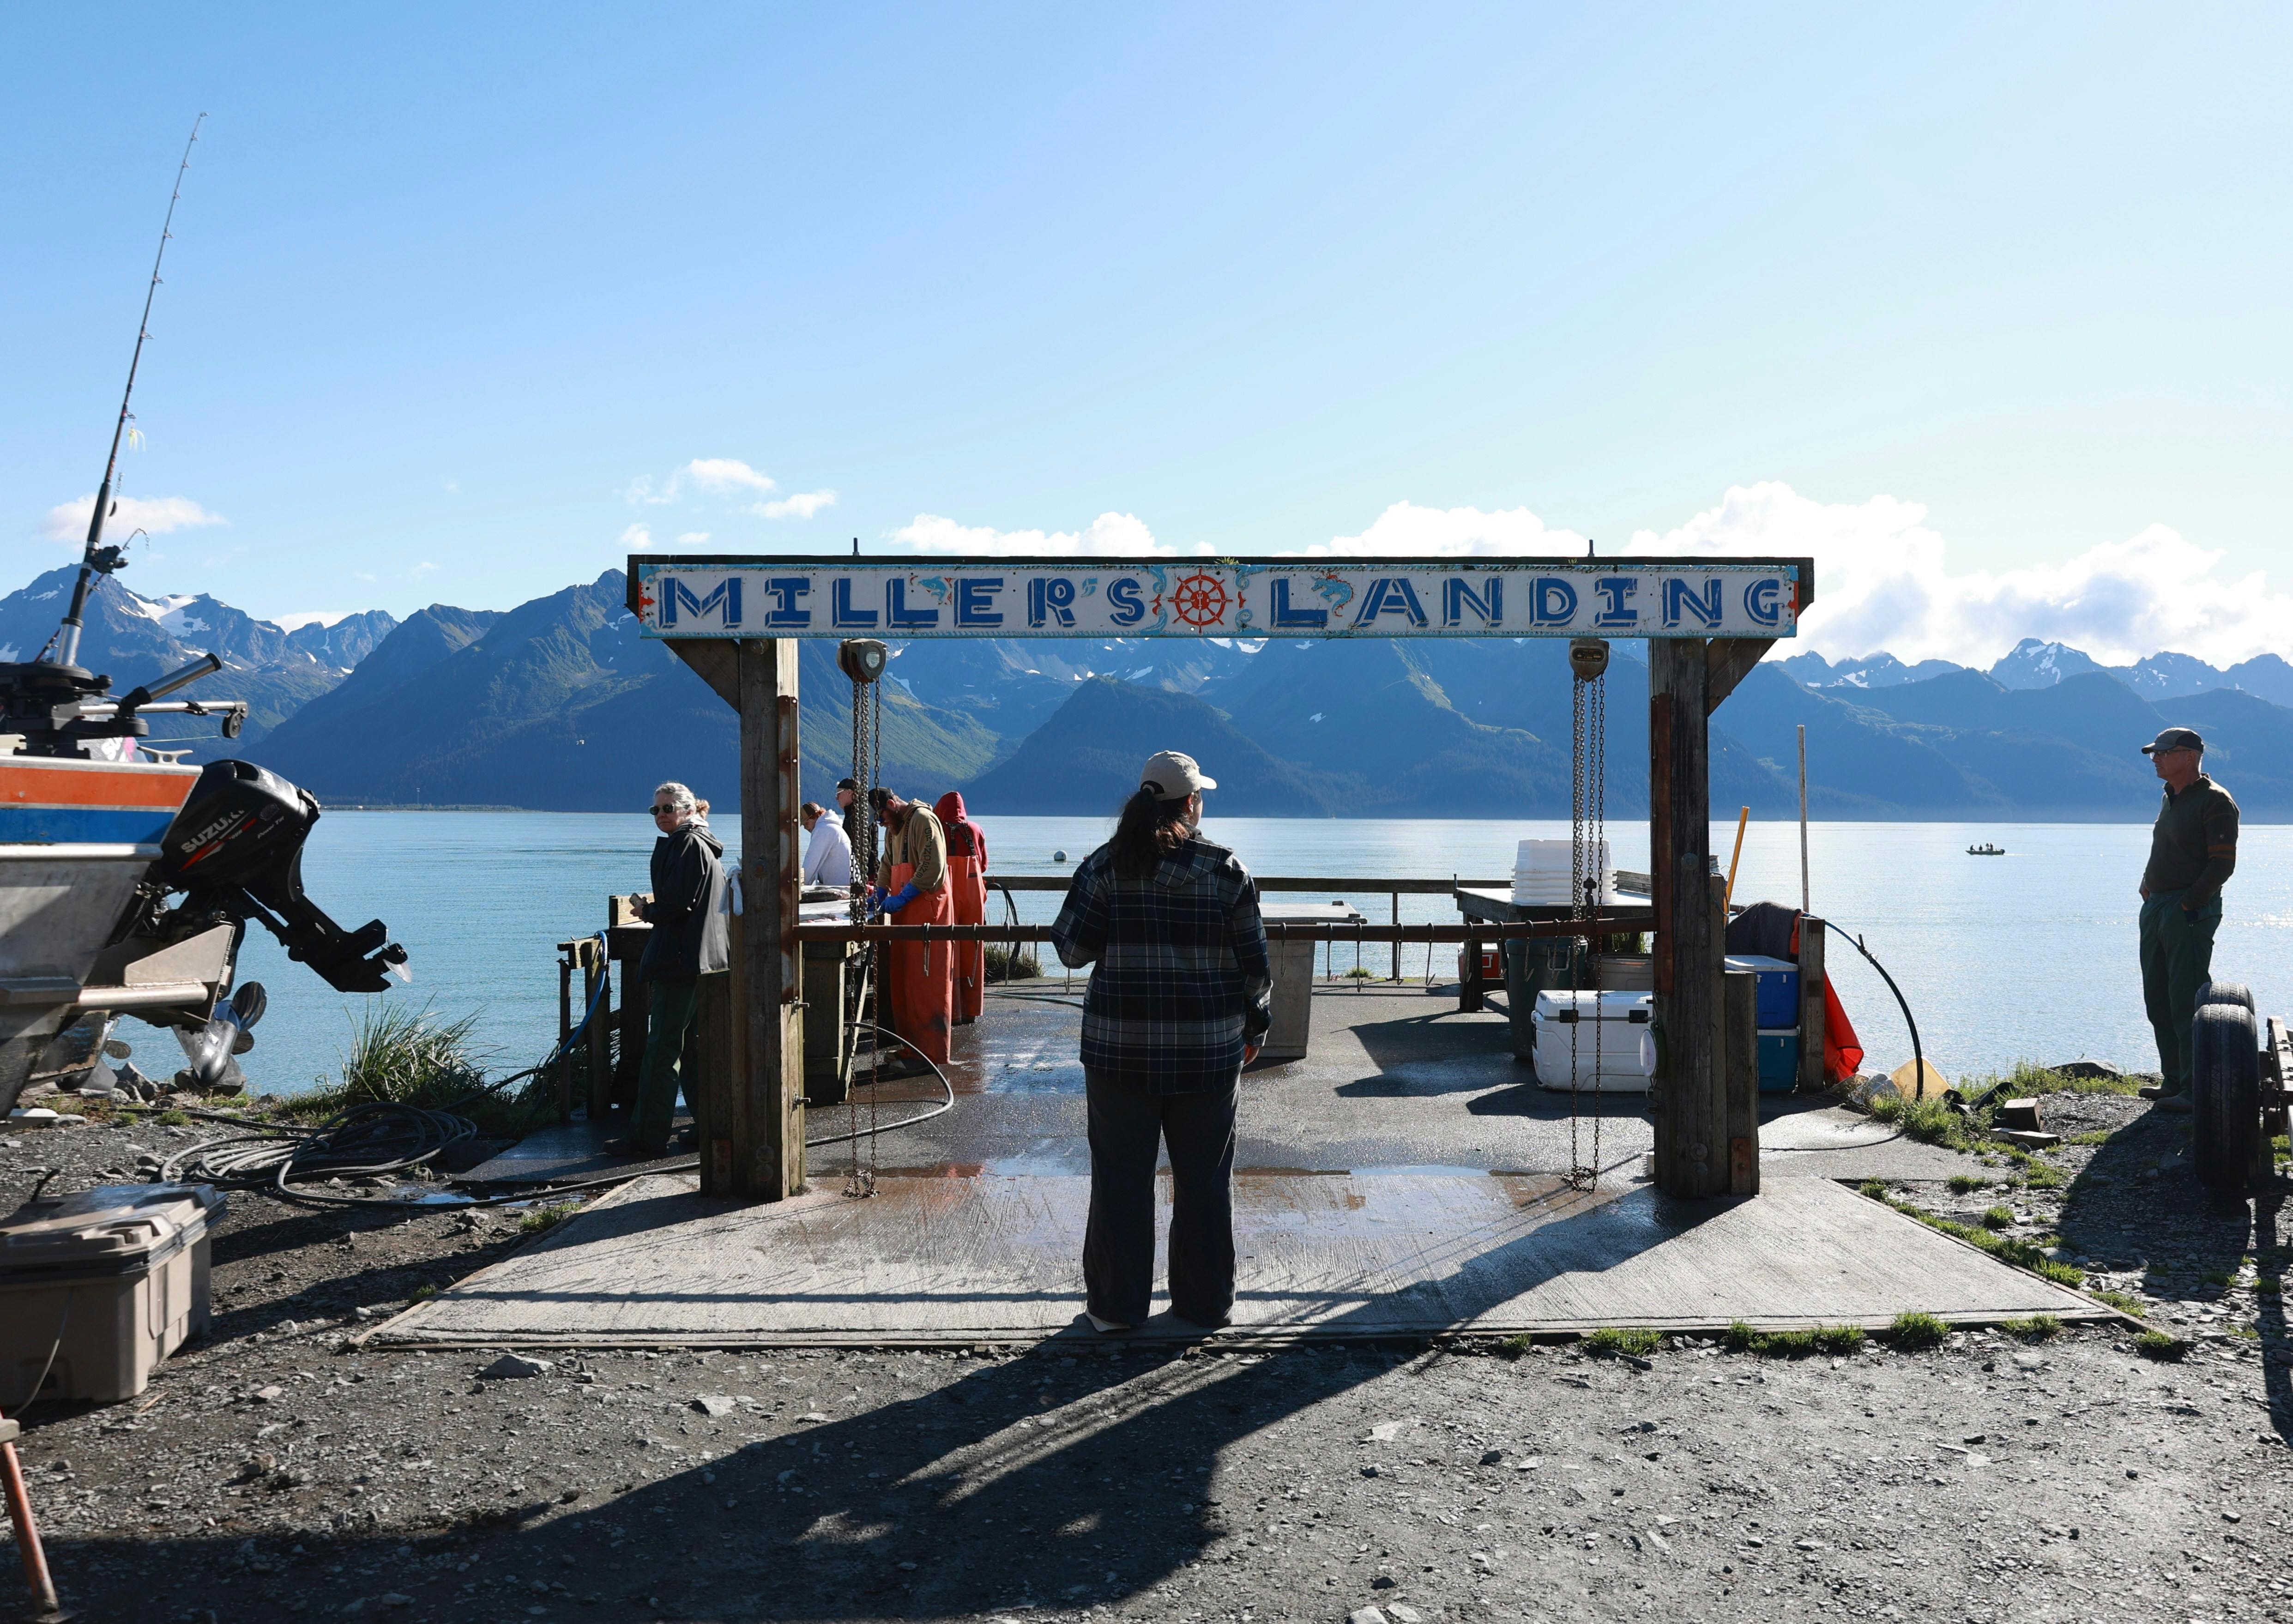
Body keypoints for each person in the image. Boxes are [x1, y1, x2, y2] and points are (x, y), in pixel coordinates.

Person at [1050, 750, 1270, 1335]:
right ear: (1191, 803)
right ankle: (1204, 1306)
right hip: (1208, 1053)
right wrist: (1255, 1028)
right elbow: (1256, 968)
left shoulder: (1105, 866)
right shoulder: (1226, 870)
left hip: (1118, 1052)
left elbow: (1071, 950)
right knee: (1205, 1181)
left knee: (1120, 1179)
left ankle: (1115, 1309)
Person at [608, 781, 730, 1157]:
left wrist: (647, 911)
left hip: (680, 960)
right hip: (703, 960)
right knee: (690, 1049)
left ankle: (647, 1136)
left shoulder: (687, 844)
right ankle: (711, 1124)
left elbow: (679, 904)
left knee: (662, 1049)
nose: (660, 815)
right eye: (656, 809)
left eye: (668, 808)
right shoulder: (702, 844)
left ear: (688, 810)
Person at [2135, 727, 2239, 1113]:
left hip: (2187, 910)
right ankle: (2174, 1079)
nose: (2156, 759)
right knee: (2158, 997)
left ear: (2190, 755)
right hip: (2158, 906)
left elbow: (2222, 863)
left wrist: (2189, 904)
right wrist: (2147, 884)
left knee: (2186, 997)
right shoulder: (2170, 797)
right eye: (2155, 753)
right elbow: (2164, 846)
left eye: (2164, 752)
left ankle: (2196, 1089)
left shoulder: (2215, 801)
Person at [868, 788, 954, 1070]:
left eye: (881, 816)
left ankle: (931, 1055)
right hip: (905, 917)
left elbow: (932, 866)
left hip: (928, 913)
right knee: (906, 984)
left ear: (891, 805)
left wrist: (905, 895)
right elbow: (887, 862)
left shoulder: (923, 820)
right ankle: (912, 1048)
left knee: (927, 985)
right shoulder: (893, 828)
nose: (881, 822)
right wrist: (881, 891)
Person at [935, 790, 990, 1023]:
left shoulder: (936, 829)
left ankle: (950, 1010)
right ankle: (971, 1008)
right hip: (972, 893)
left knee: (945, 947)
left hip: (945, 892)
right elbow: (983, 865)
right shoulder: (975, 829)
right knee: (973, 946)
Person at [802, 800, 853, 889]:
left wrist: (799, 887)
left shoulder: (823, 830)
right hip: (845, 885)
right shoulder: (830, 827)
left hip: (841, 887)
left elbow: (812, 861)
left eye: (806, 823)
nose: (806, 828)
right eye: (803, 825)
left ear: (815, 817)